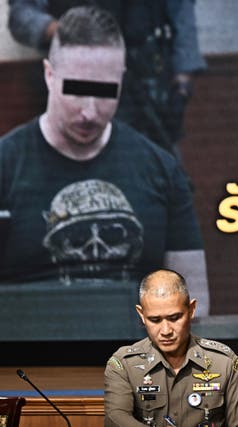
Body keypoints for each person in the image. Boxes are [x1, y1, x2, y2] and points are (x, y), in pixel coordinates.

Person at [0, 6, 209, 315]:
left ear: (122, 80)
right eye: (76, 91)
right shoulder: (6, 164)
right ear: (49, 75)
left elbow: (196, 305)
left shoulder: (162, 170)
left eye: (105, 92)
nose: (90, 112)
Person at [8, 0, 206, 158]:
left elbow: (182, 17)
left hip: (148, 80)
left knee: (159, 163)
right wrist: (64, 32)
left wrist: (183, 82)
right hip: (81, 76)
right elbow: (22, 15)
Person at [104, 269, 238, 426]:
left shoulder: (224, 362)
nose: (166, 331)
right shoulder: (123, 364)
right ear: (141, 315)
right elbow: (116, 419)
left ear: (191, 310)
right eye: (155, 320)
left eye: (174, 318)